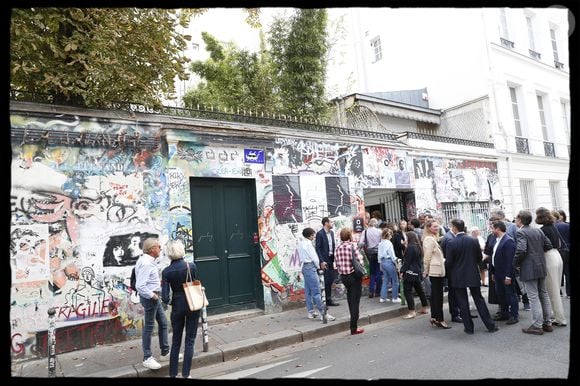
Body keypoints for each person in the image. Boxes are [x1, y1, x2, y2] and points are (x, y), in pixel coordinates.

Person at [445, 219, 498, 334]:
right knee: (479, 299)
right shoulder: (473, 240)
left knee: (462, 302)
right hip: (472, 273)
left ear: (454, 228)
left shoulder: (452, 243)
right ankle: (490, 325)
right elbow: (479, 258)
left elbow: (448, 262)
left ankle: (469, 328)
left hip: (458, 275)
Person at [161, 240, 196, 378]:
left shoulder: (166, 272)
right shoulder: (191, 266)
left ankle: (173, 374)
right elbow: (195, 284)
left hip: (177, 305)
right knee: (190, 340)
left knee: (176, 342)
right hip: (192, 304)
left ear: (169, 254)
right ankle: (186, 375)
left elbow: (164, 297)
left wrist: (173, 302)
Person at [514, 210, 554, 335]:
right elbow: (548, 245)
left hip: (529, 267)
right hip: (540, 265)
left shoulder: (521, 232)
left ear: (520, 219)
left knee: (533, 296)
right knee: (543, 294)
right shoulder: (538, 230)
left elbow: (521, 249)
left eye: (516, 218)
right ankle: (547, 323)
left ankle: (537, 325)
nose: (515, 220)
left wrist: (515, 263)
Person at [135, 237, 169, 370]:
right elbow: (140, 285)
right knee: (149, 327)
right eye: (158, 246)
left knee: (163, 323)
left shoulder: (148, 261)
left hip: (153, 298)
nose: (160, 248)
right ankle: (147, 358)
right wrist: (153, 295)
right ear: (152, 249)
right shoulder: (146, 263)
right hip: (150, 299)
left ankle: (165, 352)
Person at [535, 208, 567, 327]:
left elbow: (541, 247)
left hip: (549, 257)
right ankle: (557, 315)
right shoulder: (553, 226)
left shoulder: (542, 230)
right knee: (555, 289)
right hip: (557, 255)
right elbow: (559, 243)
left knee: (552, 291)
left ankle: (560, 319)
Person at [298, 227, 336, 321]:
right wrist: (319, 266)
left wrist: (299, 271)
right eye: (313, 235)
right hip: (311, 267)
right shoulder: (309, 244)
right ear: (310, 235)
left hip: (305, 267)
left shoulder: (301, 244)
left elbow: (300, 258)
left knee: (308, 291)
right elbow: (314, 257)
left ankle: (310, 311)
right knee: (317, 291)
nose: (314, 237)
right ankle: (323, 313)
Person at [334, 227, 365, 335]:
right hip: (354, 276)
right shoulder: (352, 246)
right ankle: (354, 327)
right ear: (349, 235)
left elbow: (337, 264)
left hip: (344, 276)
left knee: (350, 298)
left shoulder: (338, 248)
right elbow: (359, 259)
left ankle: (353, 319)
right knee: (355, 301)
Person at [488, 221, 519, 325]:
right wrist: (493, 273)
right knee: (501, 294)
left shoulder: (508, 241)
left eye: (493, 228)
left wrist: (508, 276)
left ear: (498, 229)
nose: (491, 230)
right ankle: (504, 313)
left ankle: (514, 315)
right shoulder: (498, 240)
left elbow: (510, 261)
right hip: (497, 273)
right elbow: (494, 257)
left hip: (505, 274)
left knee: (510, 294)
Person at [422, 219, 450, 329]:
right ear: (428, 228)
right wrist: (426, 270)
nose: (437, 228)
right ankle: (440, 319)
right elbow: (427, 256)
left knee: (435, 296)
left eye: (437, 226)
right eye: (434, 226)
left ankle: (434, 317)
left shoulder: (432, 238)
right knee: (438, 297)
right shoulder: (429, 239)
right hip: (435, 271)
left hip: (436, 270)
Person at [400, 231, 429, 318]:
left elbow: (407, 262)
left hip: (410, 272)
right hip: (417, 271)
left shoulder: (410, 247)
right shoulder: (418, 246)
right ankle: (424, 307)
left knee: (407, 291)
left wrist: (402, 271)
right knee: (419, 289)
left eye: (405, 237)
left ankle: (412, 311)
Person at [315, 217, 340, 307]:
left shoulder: (332, 233)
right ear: (326, 223)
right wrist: (321, 261)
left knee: (330, 280)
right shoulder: (320, 234)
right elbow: (317, 248)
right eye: (331, 222)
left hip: (330, 259)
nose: (332, 223)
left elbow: (333, 246)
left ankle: (329, 300)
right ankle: (324, 302)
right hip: (324, 260)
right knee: (324, 281)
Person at [358, 218, 382, 298]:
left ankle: (371, 291)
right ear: (375, 224)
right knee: (379, 272)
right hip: (378, 253)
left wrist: (360, 248)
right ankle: (378, 291)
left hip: (370, 254)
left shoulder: (365, 232)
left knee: (372, 273)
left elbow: (361, 243)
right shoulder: (379, 231)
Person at [378, 228, 399, 303]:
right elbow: (392, 255)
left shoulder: (380, 243)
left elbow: (379, 255)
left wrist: (380, 263)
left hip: (383, 262)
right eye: (391, 235)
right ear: (389, 235)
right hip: (389, 262)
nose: (391, 236)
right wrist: (396, 264)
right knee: (395, 280)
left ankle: (383, 298)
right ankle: (395, 298)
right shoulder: (389, 243)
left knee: (385, 280)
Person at [555, 209, 570, 298]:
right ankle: (568, 293)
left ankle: (559, 291)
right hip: (567, 249)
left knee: (558, 272)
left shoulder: (554, 227)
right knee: (567, 271)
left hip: (559, 250)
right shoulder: (567, 225)